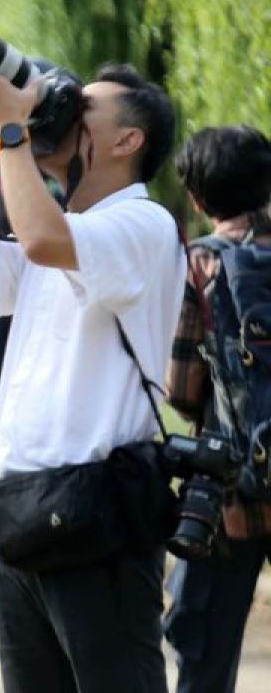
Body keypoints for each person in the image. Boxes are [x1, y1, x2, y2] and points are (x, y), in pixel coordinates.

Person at [0, 60, 183, 692]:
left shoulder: (142, 225)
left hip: (97, 516)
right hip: (24, 513)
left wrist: (12, 127)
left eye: (84, 107)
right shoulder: (62, 229)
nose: (62, 108)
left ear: (128, 141)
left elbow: (40, 238)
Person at [163, 125, 271, 693]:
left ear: (198, 199)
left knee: (206, 650)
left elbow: (182, 389)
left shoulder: (200, 265)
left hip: (232, 490)